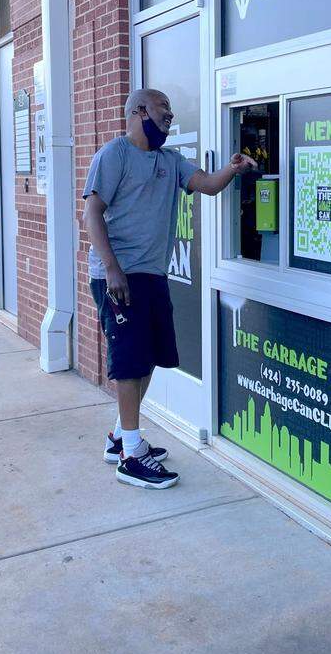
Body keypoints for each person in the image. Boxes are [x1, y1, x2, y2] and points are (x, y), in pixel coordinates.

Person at [83, 88, 256, 489]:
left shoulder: (170, 160)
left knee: (147, 360)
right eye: (164, 109)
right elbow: (91, 213)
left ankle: (120, 438)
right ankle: (131, 455)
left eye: (171, 111)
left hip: (152, 275)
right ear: (139, 111)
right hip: (118, 276)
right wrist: (112, 269)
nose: (170, 116)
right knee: (128, 362)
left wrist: (231, 169)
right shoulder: (114, 154)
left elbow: (208, 185)